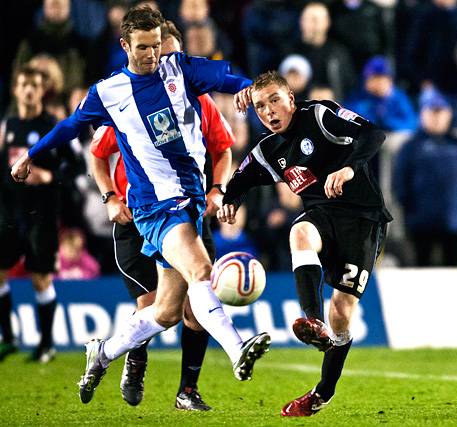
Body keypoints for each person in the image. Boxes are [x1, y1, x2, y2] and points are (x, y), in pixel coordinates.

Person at [10, 7, 270, 405]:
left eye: (156, 46)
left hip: (190, 199)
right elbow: (69, 128)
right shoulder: (108, 92)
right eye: (144, 47)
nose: (152, 55)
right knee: (201, 269)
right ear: (125, 46)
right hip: (153, 207)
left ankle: (103, 353)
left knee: (165, 312)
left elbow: (224, 74)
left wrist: (248, 87)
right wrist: (32, 153)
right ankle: (237, 350)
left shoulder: (178, 69)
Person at [218, 71, 392, 416]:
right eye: (260, 106)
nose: (268, 111)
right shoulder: (269, 149)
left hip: (363, 221)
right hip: (322, 217)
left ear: (291, 100)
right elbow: (241, 178)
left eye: (274, 100)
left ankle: (322, 393)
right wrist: (230, 200)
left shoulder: (319, 115)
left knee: (341, 315)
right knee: (299, 233)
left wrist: (350, 169)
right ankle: (312, 321)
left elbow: (373, 133)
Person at [87, 20, 236, 410]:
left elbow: (222, 149)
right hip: (137, 216)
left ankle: (187, 390)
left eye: (167, 55)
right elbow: (97, 155)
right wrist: (109, 198)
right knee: (153, 303)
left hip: (186, 209)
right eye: (152, 52)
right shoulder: (124, 100)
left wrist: (218, 189)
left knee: (188, 309)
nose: (159, 62)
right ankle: (130, 361)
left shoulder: (200, 102)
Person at [0, 65, 70, 363]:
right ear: (16, 90)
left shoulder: (54, 127)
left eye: (34, 85)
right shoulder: (8, 126)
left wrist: (49, 177)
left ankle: (46, 344)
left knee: (40, 278)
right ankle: (9, 337)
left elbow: (76, 168)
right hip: (11, 213)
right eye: (23, 84)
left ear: (43, 91)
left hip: (42, 213)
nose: (28, 90)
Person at [393, 88, 457, 266]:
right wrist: (411, 212)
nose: (436, 117)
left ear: (449, 114)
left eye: (440, 112)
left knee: (454, 271)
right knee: (421, 271)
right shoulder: (410, 148)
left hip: (454, 223)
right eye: (431, 111)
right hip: (421, 224)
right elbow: (399, 184)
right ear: (422, 114)